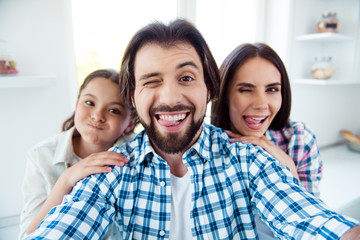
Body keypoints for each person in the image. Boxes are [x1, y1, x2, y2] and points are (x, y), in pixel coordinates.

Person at [26, 19, 360, 239]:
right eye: (151, 81)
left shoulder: (248, 158)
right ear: (133, 96)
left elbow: (311, 219)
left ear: (209, 89)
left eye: (186, 78)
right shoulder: (109, 169)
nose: (170, 98)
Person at [211, 43, 323, 239]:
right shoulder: (205, 146)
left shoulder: (299, 139)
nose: (261, 104)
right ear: (225, 95)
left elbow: (311, 227)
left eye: (272, 89)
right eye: (246, 90)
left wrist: (289, 169)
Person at [19, 69, 137, 240]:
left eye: (113, 110)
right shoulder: (41, 156)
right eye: (89, 103)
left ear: (130, 123)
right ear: (76, 105)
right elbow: (28, 235)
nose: (97, 116)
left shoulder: (138, 154)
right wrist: (66, 180)